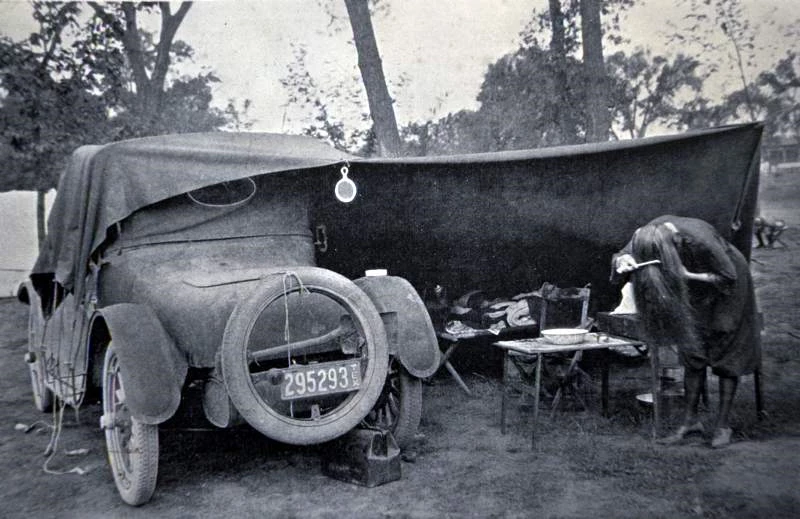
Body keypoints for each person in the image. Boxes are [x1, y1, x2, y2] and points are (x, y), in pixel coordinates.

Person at [611, 215, 761, 448]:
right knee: (693, 349)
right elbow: (620, 256)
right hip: (694, 287)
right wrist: (623, 261)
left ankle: (723, 426)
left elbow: (727, 276)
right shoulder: (646, 236)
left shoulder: (700, 240)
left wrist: (687, 275)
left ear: (673, 244)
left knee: (725, 345)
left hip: (729, 284)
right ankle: (689, 423)